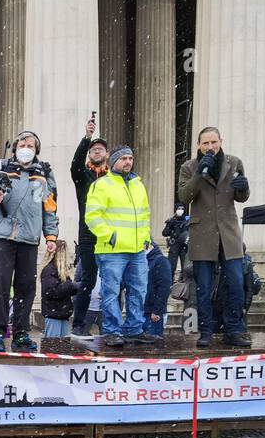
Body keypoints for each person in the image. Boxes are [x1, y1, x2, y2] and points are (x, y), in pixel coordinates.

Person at [0, 129, 58, 352]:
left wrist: (50, 236)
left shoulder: (44, 174)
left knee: (26, 287)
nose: (26, 148)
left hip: (30, 238)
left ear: (36, 150)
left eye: (30, 146)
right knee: (1, 284)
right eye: (22, 144)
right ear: (14, 148)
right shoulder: (1, 168)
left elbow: (50, 208)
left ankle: (21, 333)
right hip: (3, 235)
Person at [177, 127, 252, 347]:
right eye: (205, 143)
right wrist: (200, 173)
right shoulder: (188, 167)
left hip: (228, 232)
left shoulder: (234, 162)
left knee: (236, 284)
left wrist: (244, 188)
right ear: (198, 145)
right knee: (203, 287)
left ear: (221, 141)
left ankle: (234, 330)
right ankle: (206, 331)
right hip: (202, 233)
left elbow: (241, 197)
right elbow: (185, 196)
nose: (210, 147)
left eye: (213, 142)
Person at [84, 145, 156, 347]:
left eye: (130, 158)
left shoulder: (137, 184)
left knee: (138, 290)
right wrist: (110, 236)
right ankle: (112, 331)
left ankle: (134, 329)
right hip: (112, 250)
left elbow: (144, 215)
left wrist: (145, 239)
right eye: (123, 158)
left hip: (136, 250)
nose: (128, 162)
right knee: (111, 292)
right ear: (113, 161)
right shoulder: (102, 184)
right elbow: (92, 216)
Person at [70, 118, 110, 333]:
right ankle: (78, 325)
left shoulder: (113, 178)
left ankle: (111, 325)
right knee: (87, 280)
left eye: (101, 149)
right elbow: (75, 164)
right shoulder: (82, 175)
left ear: (106, 154)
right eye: (94, 149)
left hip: (109, 236)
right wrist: (86, 137)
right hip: (87, 236)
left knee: (112, 282)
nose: (97, 151)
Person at [40, 239, 78, 338]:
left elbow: (63, 290)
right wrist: (71, 285)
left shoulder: (60, 271)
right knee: (53, 345)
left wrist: (76, 287)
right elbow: (52, 292)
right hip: (55, 314)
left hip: (61, 313)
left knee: (62, 346)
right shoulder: (50, 269)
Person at [142, 239, 172, 338]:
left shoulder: (160, 261)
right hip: (143, 310)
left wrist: (157, 310)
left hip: (152, 312)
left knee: (153, 343)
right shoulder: (142, 261)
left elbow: (165, 287)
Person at [161, 204, 189, 280]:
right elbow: (164, 233)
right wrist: (169, 225)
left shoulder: (187, 220)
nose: (180, 210)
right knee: (171, 265)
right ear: (175, 210)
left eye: (182, 209)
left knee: (185, 266)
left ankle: (183, 282)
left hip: (184, 245)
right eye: (178, 208)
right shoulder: (172, 220)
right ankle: (170, 282)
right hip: (174, 245)